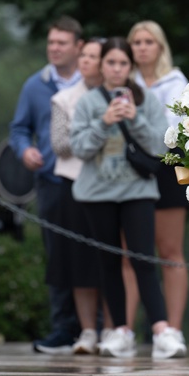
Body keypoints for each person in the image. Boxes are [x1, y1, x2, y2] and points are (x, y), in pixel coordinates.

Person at [70, 36, 184, 359]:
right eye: (111, 63)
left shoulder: (144, 99)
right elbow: (79, 148)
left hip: (137, 191)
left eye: (123, 63)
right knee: (109, 263)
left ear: (130, 67)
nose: (117, 69)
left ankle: (162, 330)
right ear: (102, 66)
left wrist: (134, 117)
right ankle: (119, 329)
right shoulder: (89, 102)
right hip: (97, 193)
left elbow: (161, 146)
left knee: (143, 259)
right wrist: (103, 122)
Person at [9, 17, 84, 354]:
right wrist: (24, 149)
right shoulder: (34, 85)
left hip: (89, 182)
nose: (54, 48)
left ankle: (97, 328)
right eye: (51, 42)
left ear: (78, 47)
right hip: (51, 182)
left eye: (61, 43)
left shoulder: (93, 82)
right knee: (57, 257)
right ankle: (62, 329)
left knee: (94, 254)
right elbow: (19, 128)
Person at [124, 21, 189, 349]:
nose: (142, 47)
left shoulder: (177, 82)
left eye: (149, 41)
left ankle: (172, 330)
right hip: (129, 168)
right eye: (136, 42)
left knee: (169, 251)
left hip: (165, 167)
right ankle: (124, 330)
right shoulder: (124, 81)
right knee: (130, 254)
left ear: (160, 46)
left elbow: (173, 130)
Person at [50, 37, 111, 354]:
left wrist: (88, 134)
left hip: (112, 186)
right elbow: (60, 144)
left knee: (111, 260)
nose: (86, 61)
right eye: (84, 55)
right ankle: (88, 330)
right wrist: (97, 132)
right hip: (74, 186)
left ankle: (114, 329)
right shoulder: (64, 98)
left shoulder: (121, 96)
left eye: (94, 56)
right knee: (80, 263)